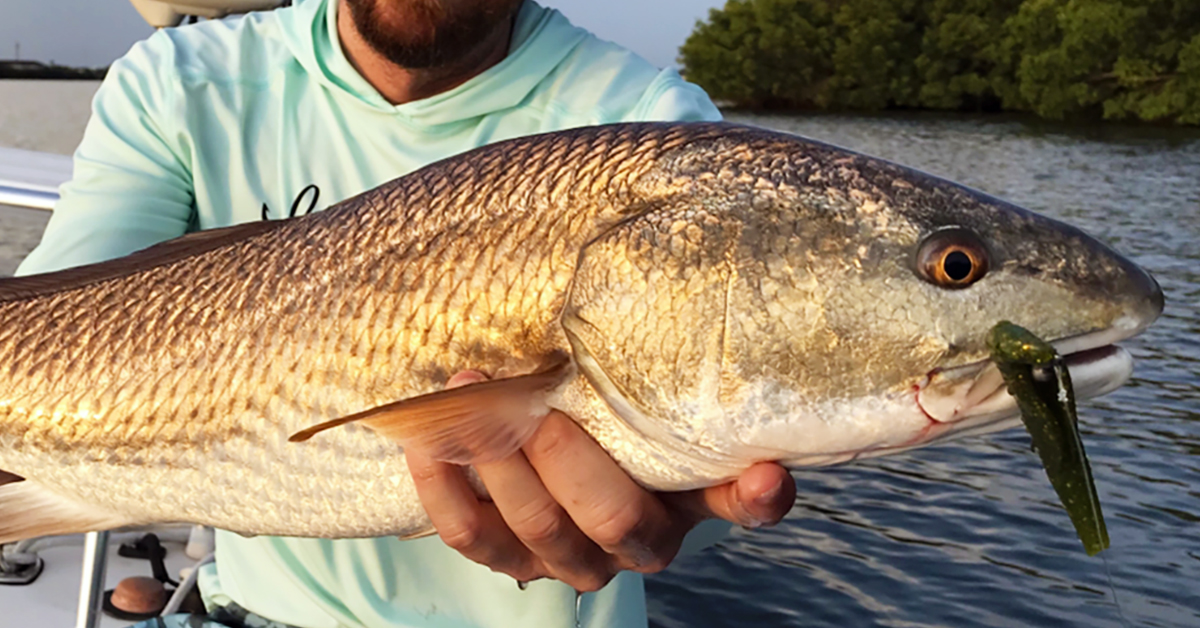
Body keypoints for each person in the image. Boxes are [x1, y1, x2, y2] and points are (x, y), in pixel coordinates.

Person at [18, 1, 798, 626]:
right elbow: (47, 333)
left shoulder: (655, 125)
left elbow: (721, 497)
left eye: (933, 267)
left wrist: (673, 527)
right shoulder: (179, 79)